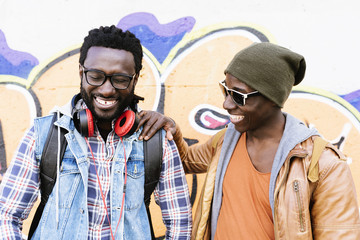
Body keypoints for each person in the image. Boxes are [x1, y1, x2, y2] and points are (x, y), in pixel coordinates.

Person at [138, 42, 360, 239]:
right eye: (225, 90)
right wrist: (171, 129)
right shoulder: (225, 142)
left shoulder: (323, 165)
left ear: (272, 99)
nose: (226, 104)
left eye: (238, 96)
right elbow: (184, 161)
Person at [0, 25, 192, 239]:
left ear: (135, 79)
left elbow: (179, 223)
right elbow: (6, 216)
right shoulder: (44, 134)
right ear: (81, 72)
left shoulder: (156, 140)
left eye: (120, 79)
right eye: (96, 76)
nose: (107, 89)